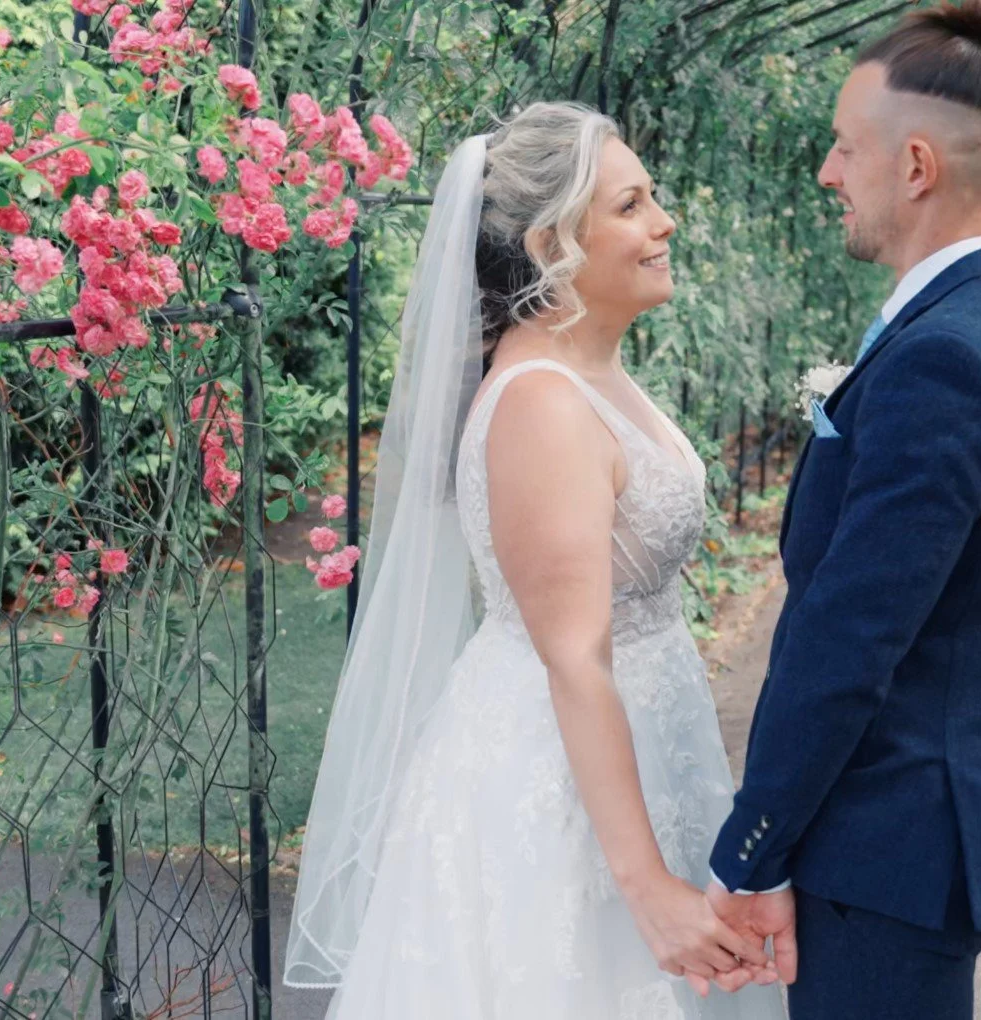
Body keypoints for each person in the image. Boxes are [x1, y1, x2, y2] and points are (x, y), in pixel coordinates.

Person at [282, 102, 787, 1019]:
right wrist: (648, 890)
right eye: (632, 205)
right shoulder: (544, 406)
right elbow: (574, 655)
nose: (663, 222)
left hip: (646, 748)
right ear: (556, 240)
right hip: (556, 789)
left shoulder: (590, 367)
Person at [704, 2, 981, 1018]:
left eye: (842, 148)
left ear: (914, 166)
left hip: (881, 855)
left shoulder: (945, 365)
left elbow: (847, 643)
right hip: (919, 851)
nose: (828, 172)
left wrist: (751, 852)